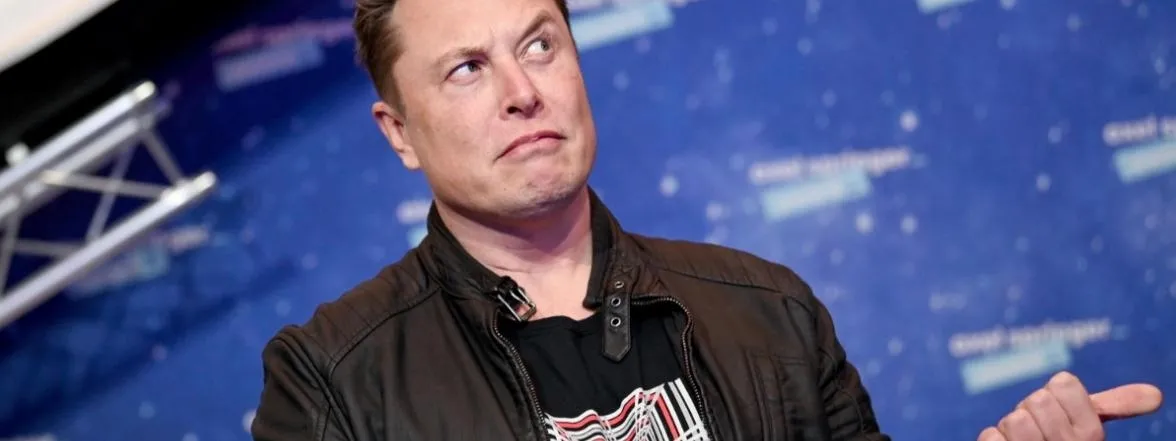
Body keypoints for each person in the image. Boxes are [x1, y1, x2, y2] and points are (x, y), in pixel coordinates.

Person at [249, 0, 1164, 438]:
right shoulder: (335, 377)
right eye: (467, 69)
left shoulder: (769, 310)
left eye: (539, 43)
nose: (523, 90)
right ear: (400, 132)